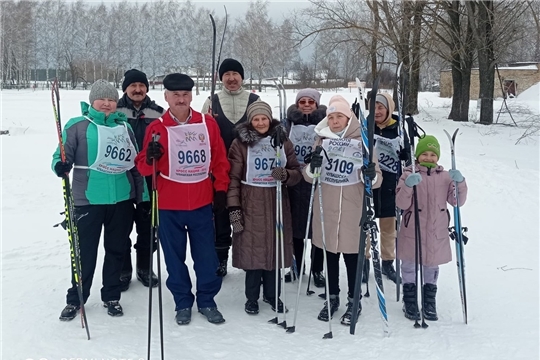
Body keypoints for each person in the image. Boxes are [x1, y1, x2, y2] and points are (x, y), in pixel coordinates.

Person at [135, 73, 230, 325]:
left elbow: (220, 160)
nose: (181, 99)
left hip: (201, 202)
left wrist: (221, 189)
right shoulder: (157, 128)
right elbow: (143, 167)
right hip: (169, 205)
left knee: (206, 257)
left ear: (192, 96)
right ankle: (182, 302)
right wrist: (150, 156)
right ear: (166, 97)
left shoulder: (207, 124)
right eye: (175, 95)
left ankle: (207, 300)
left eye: (185, 94)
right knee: (174, 257)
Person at [53, 79, 149, 320]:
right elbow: (61, 154)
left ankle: (112, 295)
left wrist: (143, 197)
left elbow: (135, 165)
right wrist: (60, 165)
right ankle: (76, 298)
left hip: (121, 199)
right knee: (84, 252)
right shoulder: (78, 126)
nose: (107, 104)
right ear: (92, 100)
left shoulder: (123, 127)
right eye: (102, 99)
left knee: (117, 249)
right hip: (88, 199)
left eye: (111, 100)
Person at [305, 95, 382, 325]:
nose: (335, 121)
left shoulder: (363, 141)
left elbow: (377, 180)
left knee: (352, 258)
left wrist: (369, 174)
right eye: (331, 117)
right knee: (329, 256)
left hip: (352, 209)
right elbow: (309, 178)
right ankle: (332, 296)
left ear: (349, 118)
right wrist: (313, 167)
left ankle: (353, 299)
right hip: (326, 208)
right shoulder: (321, 140)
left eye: (339, 116)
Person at [227, 101, 302, 315]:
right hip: (250, 201)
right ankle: (251, 297)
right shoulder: (240, 144)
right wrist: (234, 208)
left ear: (270, 119)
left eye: (264, 118)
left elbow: (296, 171)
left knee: (274, 249)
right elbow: (232, 178)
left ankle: (272, 294)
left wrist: (286, 175)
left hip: (276, 201)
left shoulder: (282, 141)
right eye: (256, 119)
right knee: (253, 252)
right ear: (250, 121)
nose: (260, 122)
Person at [396, 135, 467, 321]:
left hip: (436, 230)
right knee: (410, 264)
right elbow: (402, 203)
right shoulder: (408, 173)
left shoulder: (445, 177)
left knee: (431, 265)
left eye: (432, 154)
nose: (428, 158)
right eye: (424, 154)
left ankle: (429, 301)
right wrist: (408, 186)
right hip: (413, 228)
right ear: (417, 156)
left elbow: (456, 201)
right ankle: (409, 300)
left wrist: (460, 183)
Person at [201, 58, 260, 277]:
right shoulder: (211, 101)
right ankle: (221, 257)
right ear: (220, 77)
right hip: (221, 170)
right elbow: (200, 134)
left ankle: (250, 256)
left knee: (250, 213)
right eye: (227, 74)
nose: (232, 78)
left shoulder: (254, 100)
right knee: (222, 213)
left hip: (250, 170)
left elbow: (265, 127)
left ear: (242, 77)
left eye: (236, 74)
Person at [116, 69, 166, 291]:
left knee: (148, 225)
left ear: (147, 88)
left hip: (149, 177)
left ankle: (144, 266)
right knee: (121, 225)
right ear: (125, 88)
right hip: (122, 177)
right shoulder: (114, 111)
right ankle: (123, 268)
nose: (137, 90)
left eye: (141, 86)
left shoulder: (157, 113)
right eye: (133, 85)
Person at [283, 88, 326, 287]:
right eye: (303, 102)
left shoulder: (325, 124)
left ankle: (317, 269)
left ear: (317, 105)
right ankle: (296, 265)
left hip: (318, 181)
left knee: (317, 228)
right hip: (294, 180)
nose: (307, 105)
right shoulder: (288, 123)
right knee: (296, 227)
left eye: (311, 101)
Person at [371, 93, 411, 283]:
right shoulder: (365, 127)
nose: (377, 111)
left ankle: (387, 261)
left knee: (388, 228)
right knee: (366, 226)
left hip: (390, 186)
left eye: (381, 107)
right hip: (369, 184)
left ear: (389, 109)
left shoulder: (398, 130)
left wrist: (406, 155)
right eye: (374, 107)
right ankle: (365, 262)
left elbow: (411, 159)